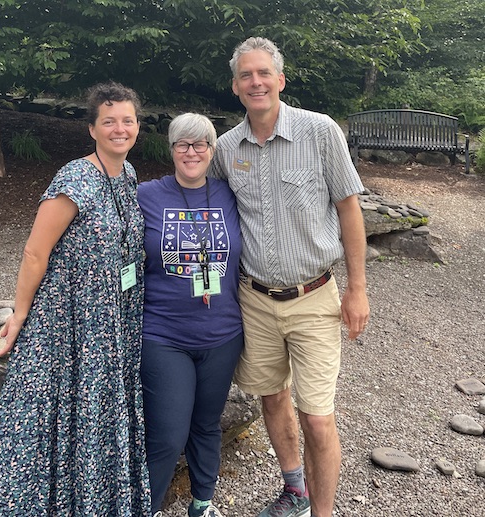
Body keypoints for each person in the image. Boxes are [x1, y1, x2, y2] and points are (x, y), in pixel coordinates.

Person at [0, 81, 151, 516]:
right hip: (69, 316)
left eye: (127, 120)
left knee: (94, 408)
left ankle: (93, 495)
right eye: (109, 121)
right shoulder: (75, 176)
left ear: (138, 126)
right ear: (92, 129)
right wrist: (20, 313)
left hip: (111, 316)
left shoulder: (127, 175)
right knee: (52, 409)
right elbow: (36, 250)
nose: (119, 129)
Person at [209, 37, 370, 517]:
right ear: (236, 87)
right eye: (246, 75)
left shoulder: (320, 133)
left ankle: (322, 513)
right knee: (271, 397)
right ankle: (294, 491)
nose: (255, 82)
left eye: (264, 73)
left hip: (314, 296)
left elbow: (348, 207)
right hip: (253, 299)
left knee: (317, 417)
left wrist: (358, 290)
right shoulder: (225, 148)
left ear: (280, 79)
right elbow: (206, 206)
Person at [137, 113, 243, 517]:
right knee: (167, 434)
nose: (191, 151)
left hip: (223, 334)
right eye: (182, 143)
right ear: (171, 149)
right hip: (164, 335)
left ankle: (202, 503)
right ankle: (146, 507)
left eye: (201, 144)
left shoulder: (229, 194)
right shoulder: (146, 194)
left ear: (213, 151)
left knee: (206, 425)